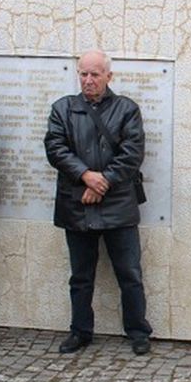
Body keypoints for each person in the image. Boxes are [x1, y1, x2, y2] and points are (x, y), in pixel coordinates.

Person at [44, 49, 153, 355]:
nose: (88, 80)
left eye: (95, 74)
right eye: (83, 74)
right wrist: (85, 176)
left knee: (130, 274)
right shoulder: (62, 108)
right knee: (80, 277)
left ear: (108, 76)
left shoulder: (127, 109)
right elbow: (55, 149)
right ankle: (80, 331)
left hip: (118, 204)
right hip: (76, 204)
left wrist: (99, 182)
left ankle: (138, 331)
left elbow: (131, 154)